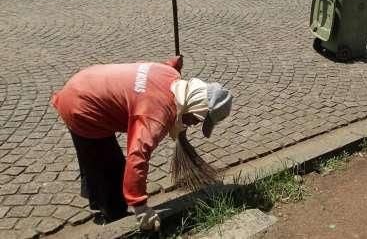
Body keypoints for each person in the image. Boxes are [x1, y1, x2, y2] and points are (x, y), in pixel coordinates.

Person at [51, 56, 233, 231]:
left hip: (87, 80)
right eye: (196, 119)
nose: (193, 124)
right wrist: (140, 206)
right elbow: (137, 156)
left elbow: (165, 66)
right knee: (111, 172)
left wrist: (175, 63)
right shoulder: (156, 114)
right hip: (81, 106)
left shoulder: (170, 74)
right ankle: (113, 219)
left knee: (97, 159)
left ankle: (99, 203)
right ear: (194, 105)